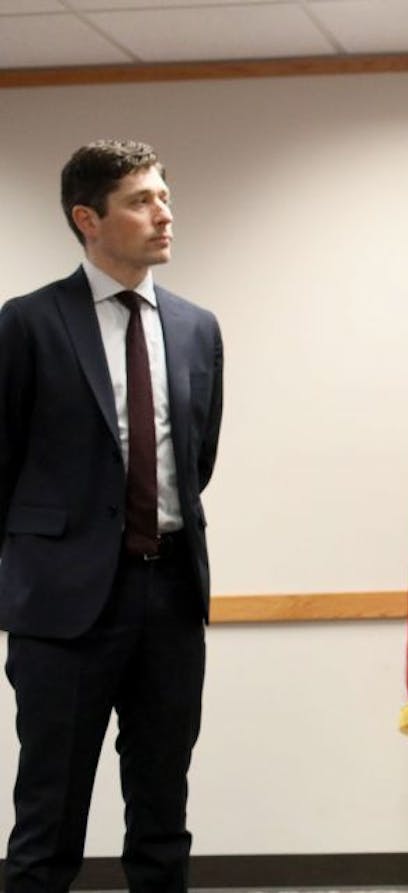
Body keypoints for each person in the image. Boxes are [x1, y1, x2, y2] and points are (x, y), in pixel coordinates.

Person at [0, 140, 224, 893]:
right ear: (87, 219)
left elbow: (197, 462)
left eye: (164, 194)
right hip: (63, 608)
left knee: (163, 814)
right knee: (47, 821)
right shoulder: (27, 324)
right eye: (141, 200)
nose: (164, 213)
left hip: (169, 595)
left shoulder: (197, 328)